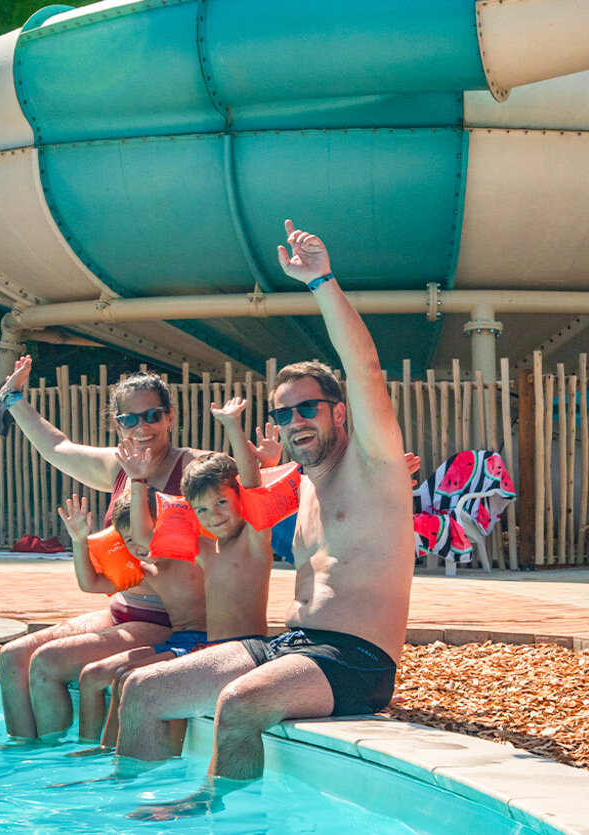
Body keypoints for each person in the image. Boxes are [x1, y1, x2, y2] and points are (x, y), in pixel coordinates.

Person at [115, 220, 416, 819]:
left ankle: (220, 820)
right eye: (284, 413)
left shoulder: (374, 464)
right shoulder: (299, 484)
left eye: (309, 407)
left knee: (241, 703)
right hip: (293, 645)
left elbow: (366, 370)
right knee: (144, 690)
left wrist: (321, 281)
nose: (296, 419)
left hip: (357, 660)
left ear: (339, 411)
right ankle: (131, 811)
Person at [0, 363, 208, 739]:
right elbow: (56, 446)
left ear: (170, 417)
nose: (141, 428)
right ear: (117, 423)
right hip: (122, 609)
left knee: (47, 663)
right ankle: (22, 762)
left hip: (166, 619)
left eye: (152, 416)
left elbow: (245, 487)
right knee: (12, 657)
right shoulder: (119, 467)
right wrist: (12, 398)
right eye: (129, 420)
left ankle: (58, 764)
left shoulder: (193, 468)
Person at [74, 397, 278, 749]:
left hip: (246, 649)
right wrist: (138, 482)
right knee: (125, 678)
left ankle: (151, 764)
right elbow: (145, 539)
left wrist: (232, 424)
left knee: (141, 683)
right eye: (201, 509)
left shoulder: (254, 544)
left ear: (238, 501)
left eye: (221, 503)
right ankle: (110, 757)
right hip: (209, 648)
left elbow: (254, 486)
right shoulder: (205, 550)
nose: (212, 514)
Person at [22, 485, 206, 742]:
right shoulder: (145, 569)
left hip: (193, 643)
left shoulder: (196, 557)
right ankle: (91, 751)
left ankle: (106, 751)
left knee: (125, 681)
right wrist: (79, 540)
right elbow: (91, 584)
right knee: (96, 676)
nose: (139, 545)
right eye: (129, 540)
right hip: (175, 642)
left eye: (144, 533)